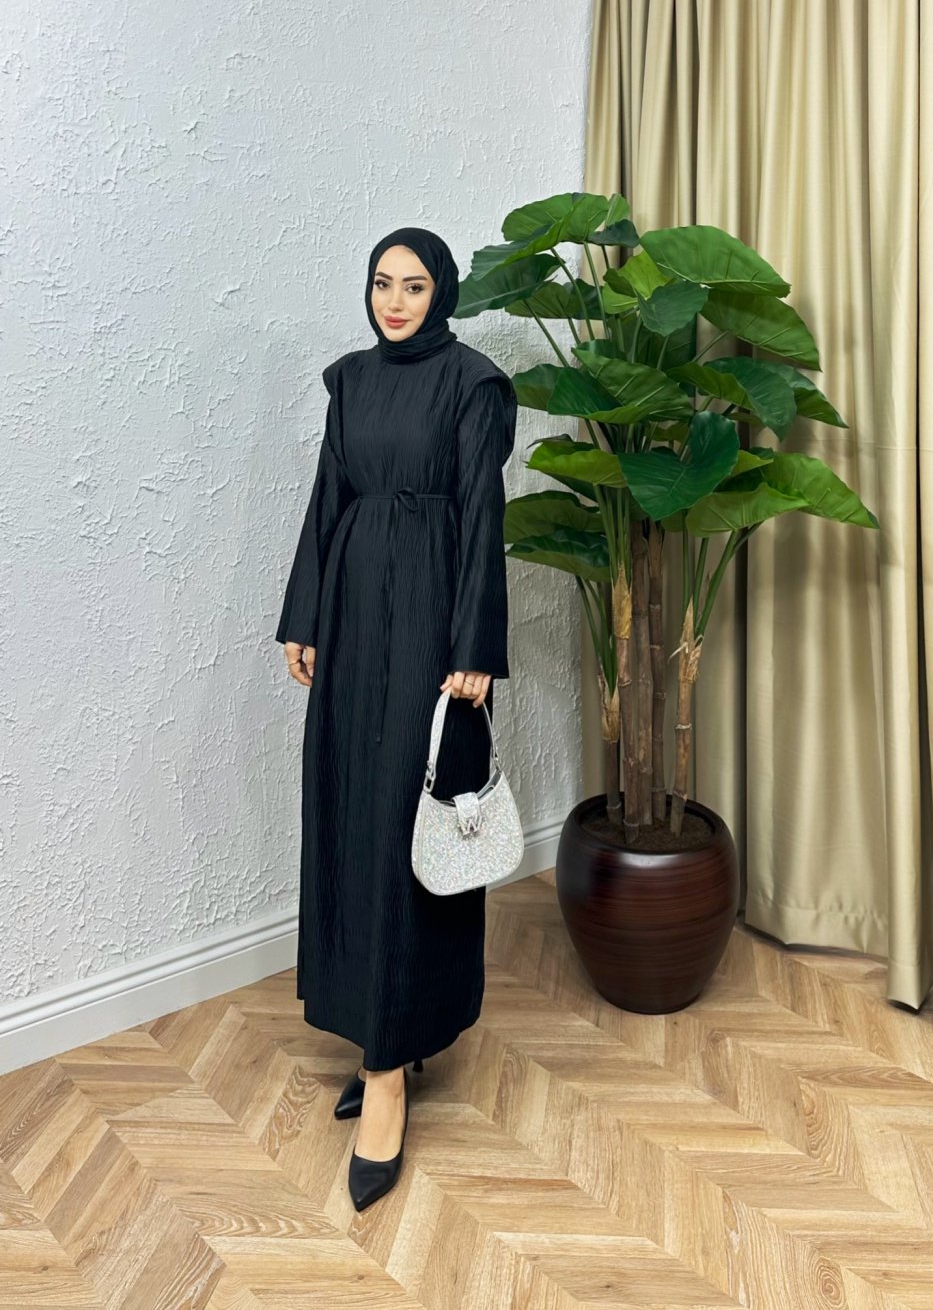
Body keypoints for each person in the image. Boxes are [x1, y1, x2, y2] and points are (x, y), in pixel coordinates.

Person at [275, 226, 517, 1212]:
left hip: (429, 619)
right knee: (351, 814)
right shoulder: (351, 382)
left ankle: (388, 1072)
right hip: (351, 609)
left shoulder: (474, 385)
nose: (396, 300)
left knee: (407, 828)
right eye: (383, 283)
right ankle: (379, 1031)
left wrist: (474, 647)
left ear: (442, 292)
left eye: (415, 285)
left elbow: (483, 513)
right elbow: (327, 499)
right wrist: (303, 616)